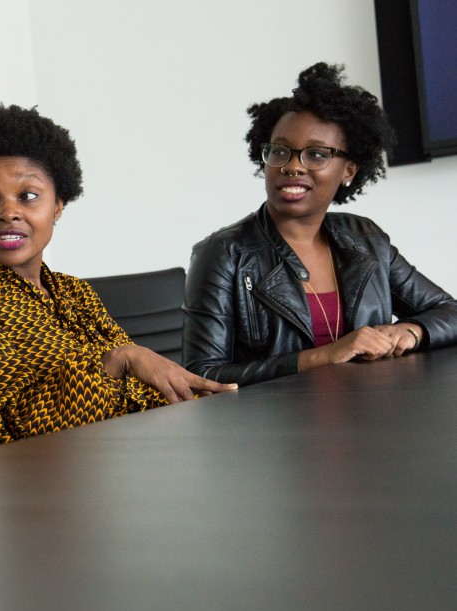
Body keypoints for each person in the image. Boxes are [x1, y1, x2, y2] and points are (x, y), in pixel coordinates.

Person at [0, 104, 234, 450]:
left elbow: (138, 386)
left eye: (28, 196)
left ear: (58, 205)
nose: (8, 212)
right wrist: (115, 362)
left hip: (125, 456)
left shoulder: (74, 292)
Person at [182, 63, 457, 386]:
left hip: (374, 415)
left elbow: (448, 311)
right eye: (280, 151)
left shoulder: (365, 239)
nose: (293, 166)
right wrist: (321, 357)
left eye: (316, 155)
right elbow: (200, 376)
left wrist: (412, 330)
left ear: (349, 171)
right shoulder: (225, 253)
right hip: (276, 429)